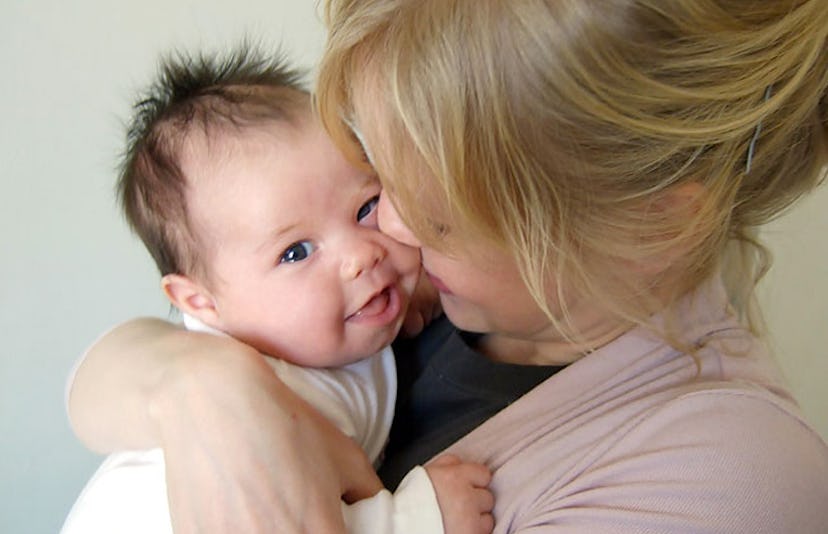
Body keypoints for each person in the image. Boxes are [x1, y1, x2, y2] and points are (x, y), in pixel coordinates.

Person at [67, 0, 828, 532]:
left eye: (439, 201)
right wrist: (199, 384)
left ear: (655, 219)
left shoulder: (732, 480)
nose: (388, 228)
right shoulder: (440, 294)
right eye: (383, 168)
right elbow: (98, 387)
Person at [61, 47, 493, 534]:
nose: (362, 255)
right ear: (202, 304)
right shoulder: (263, 397)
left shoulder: (305, 331)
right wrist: (416, 519)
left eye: (365, 206)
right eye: (296, 252)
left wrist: (416, 293)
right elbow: (293, 516)